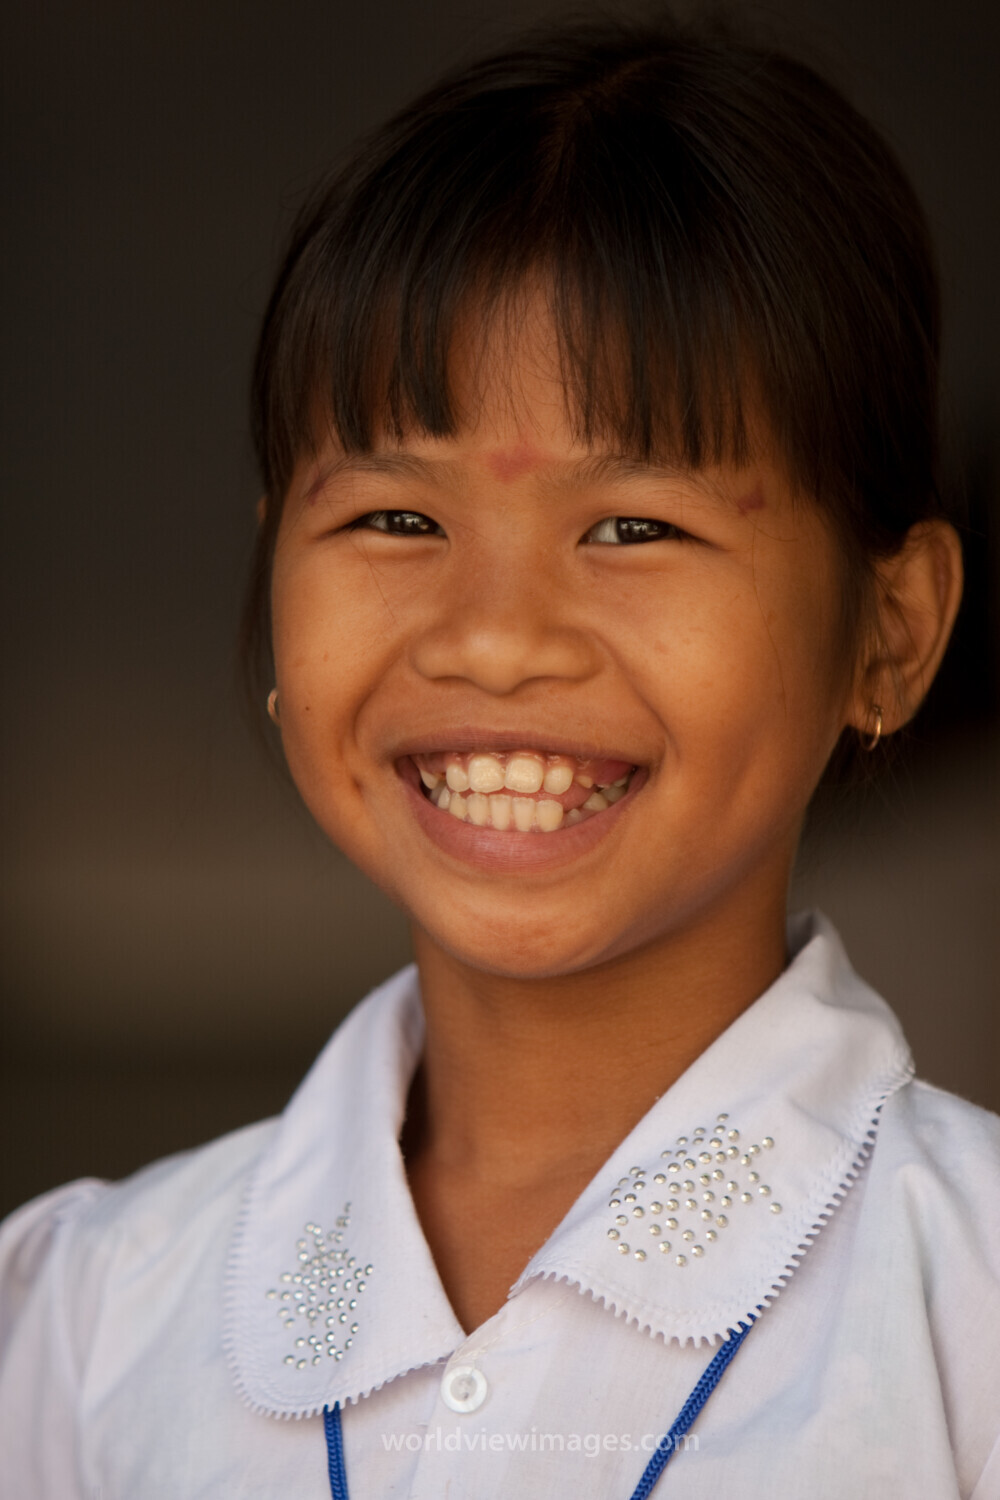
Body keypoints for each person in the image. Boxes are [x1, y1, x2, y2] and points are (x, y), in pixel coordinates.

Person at [1, 12, 997, 1498]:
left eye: (637, 526)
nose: (493, 636)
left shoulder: (969, 1315)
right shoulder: (78, 1328)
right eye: (396, 519)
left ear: (892, 632)